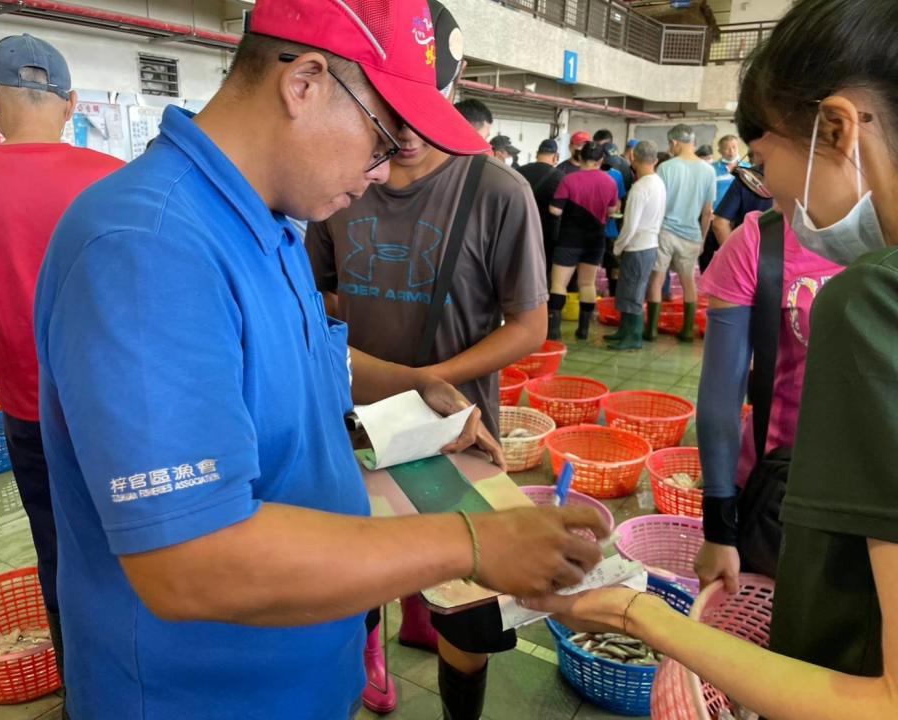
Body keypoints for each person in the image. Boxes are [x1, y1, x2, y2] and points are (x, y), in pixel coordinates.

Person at [33, 3, 609, 719]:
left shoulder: (268, 224)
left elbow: (313, 362)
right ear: (306, 82)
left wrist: (415, 385)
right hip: (207, 693)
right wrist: (470, 542)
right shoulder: (147, 247)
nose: (378, 175)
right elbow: (192, 562)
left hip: (300, 667)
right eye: (382, 142)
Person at [521, 2, 898, 718]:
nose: (769, 191)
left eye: (763, 165)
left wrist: (637, 617)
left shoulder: (872, 306)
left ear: (839, 129)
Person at [307, 12, 547, 716]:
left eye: (426, 107)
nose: (405, 131)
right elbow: (319, 299)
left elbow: (529, 323)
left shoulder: (498, 193)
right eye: (387, 107)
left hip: (455, 433)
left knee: (468, 618)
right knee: (348, 576)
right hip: (351, 424)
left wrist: (440, 378)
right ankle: (371, 645)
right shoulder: (336, 189)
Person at [0, 34, 124, 690]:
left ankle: (83, 689)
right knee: (136, 540)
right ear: (72, 101)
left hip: (28, 407)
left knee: (58, 548)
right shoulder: (115, 179)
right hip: (117, 408)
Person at [694, 206, 842, 589]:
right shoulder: (759, 242)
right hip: (778, 492)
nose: (766, 180)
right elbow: (719, 401)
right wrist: (719, 529)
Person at [644, 123, 716, 343]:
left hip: (664, 231)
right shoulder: (708, 170)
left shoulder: (666, 168)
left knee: (657, 279)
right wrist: (702, 239)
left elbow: (658, 203)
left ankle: (652, 329)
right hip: (691, 234)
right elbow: (707, 212)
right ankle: (686, 331)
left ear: (674, 143)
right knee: (688, 282)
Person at [547, 143, 619, 340]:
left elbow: (555, 210)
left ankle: (553, 331)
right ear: (600, 160)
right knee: (587, 284)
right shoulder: (610, 182)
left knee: (559, 284)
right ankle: (583, 330)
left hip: (569, 238)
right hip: (595, 239)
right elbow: (612, 210)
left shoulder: (569, 180)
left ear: (580, 157)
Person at [605, 140, 666, 351]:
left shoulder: (640, 187)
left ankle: (633, 336)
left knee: (633, 292)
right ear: (656, 160)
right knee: (628, 290)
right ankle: (624, 330)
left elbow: (630, 225)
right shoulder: (658, 182)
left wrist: (617, 247)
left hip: (637, 246)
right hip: (649, 244)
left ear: (632, 158)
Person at [700, 134, 750, 271]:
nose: (731, 151)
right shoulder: (711, 170)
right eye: (727, 148)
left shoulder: (749, 168)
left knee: (736, 257)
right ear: (720, 151)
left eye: (734, 147)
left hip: (739, 221)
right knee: (707, 256)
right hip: (715, 218)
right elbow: (706, 194)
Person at [518, 138, 565, 275]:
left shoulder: (520, 172)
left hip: (522, 227)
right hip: (548, 231)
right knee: (543, 270)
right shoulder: (560, 177)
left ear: (537, 153)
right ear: (556, 156)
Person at [711, 153, 774, 248]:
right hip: (786, 256)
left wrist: (733, 256)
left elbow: (720, 224)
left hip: (747, 251)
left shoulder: (746, 178)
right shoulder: (799, 181)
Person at [601, 143, 628, 297]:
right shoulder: (591, 174)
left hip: (610, 228)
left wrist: (615, 210)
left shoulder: (617, 175)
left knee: (613, 265)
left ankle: (613, 295)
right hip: (593, 227)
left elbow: (619, 200)